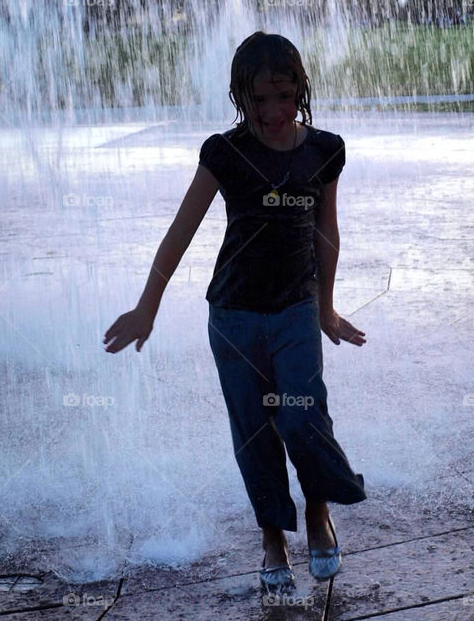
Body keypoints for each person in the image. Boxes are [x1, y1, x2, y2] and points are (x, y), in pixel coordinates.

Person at [103, 31, 367, 597]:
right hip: (234, 317)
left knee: (303, 415)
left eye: (284, 96)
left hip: (296, 309)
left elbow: (327, 232)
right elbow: (180, 231)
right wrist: (147, 307)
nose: (273, 112)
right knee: (254, 430)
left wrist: (326, 307)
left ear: (301, 89)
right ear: (239, 96)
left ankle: (317, 511)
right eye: (258, 100)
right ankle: (272, 537)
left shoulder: (325, 150)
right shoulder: (225, 153)